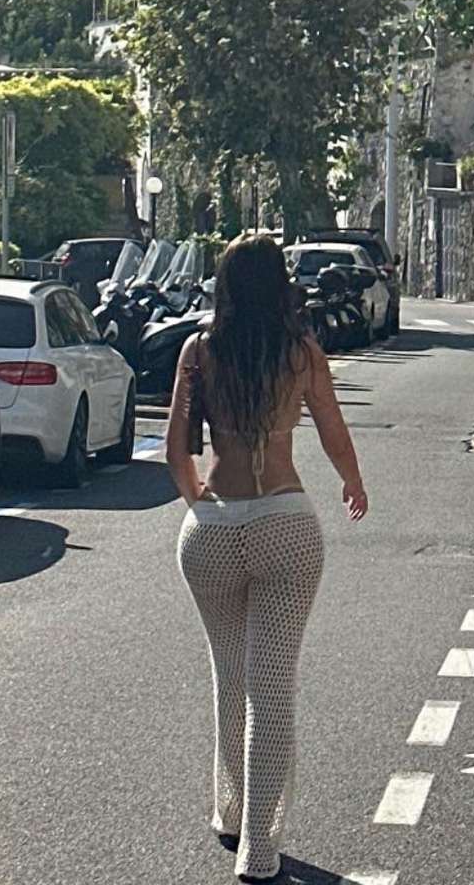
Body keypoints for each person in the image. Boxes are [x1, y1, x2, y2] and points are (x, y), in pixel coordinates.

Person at [166, 231, 368, 883]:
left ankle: (229, 812)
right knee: (272, 690)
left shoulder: (199, 351)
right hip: (285, 523)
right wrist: (352, 482)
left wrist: (201, 502)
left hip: (213, 529)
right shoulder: (301, 353)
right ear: (280, 285)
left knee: (229, 677)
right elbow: (334, 431)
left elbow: (176, 451)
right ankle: (258, 849)